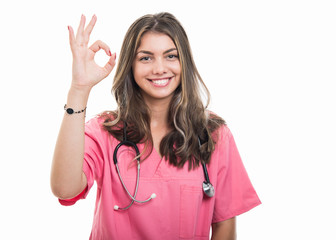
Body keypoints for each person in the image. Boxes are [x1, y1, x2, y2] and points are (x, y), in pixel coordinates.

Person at [51, 12, 261, 240]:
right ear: (130, 65)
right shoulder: (104, 131)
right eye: (145, 58)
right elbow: (64, 189)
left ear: (184, 62)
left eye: (171, 56)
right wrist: (79, 89)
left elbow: (224, 225)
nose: (159, 68)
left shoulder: (213, 135)